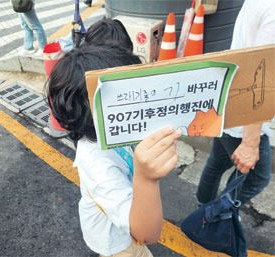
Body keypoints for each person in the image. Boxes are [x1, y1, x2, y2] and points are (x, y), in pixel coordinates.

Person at [46, 45, 181, 256]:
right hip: (117, 243)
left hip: (120, 219)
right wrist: (147, 178)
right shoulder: (98, 163)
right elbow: (147, 234)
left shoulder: (113, 131)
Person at [195, 0, 273, 206]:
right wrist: (250, 142)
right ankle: (216, 216)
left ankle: (203, 208)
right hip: (246, 114)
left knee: (217, 162)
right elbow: (262, 75)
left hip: (231, 100)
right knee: (257, 178)